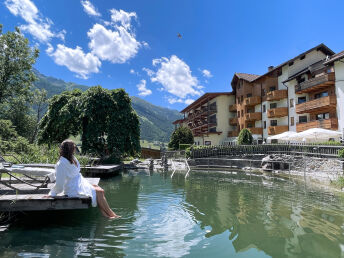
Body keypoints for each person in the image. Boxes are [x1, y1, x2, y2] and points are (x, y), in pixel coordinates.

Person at [49, 139, 120, 219]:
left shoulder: (72, 158)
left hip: (80, 183)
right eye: (73, 147)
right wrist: (53, 193)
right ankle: (111, 214)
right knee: (99, 192)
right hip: (72, 188)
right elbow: (59, 183)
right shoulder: (61, 164)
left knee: (100, 190)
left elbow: (77, 174)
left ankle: (107, 215)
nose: (75, 149)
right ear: (68, 149)